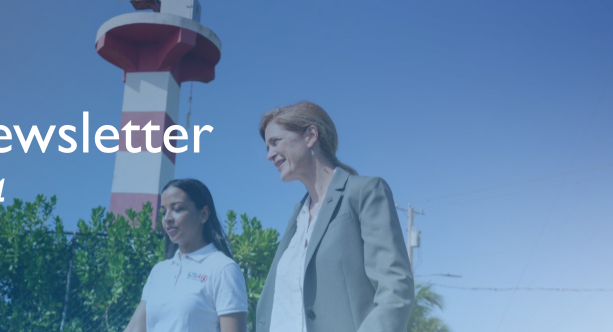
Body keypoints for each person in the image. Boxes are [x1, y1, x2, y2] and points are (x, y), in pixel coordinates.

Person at [255, 101, 414, 332]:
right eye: (266, 147)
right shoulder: (296, 218)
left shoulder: (364, 193)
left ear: (310, 135)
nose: (269, 155)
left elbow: (395, 289)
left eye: (275, 142)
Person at [124, 179, 248, 332]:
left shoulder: (223, 269)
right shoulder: (159, 270)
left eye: (178, 209)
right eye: (163, 212)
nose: (167, 218)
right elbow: (135, 328)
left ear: (203, 214)